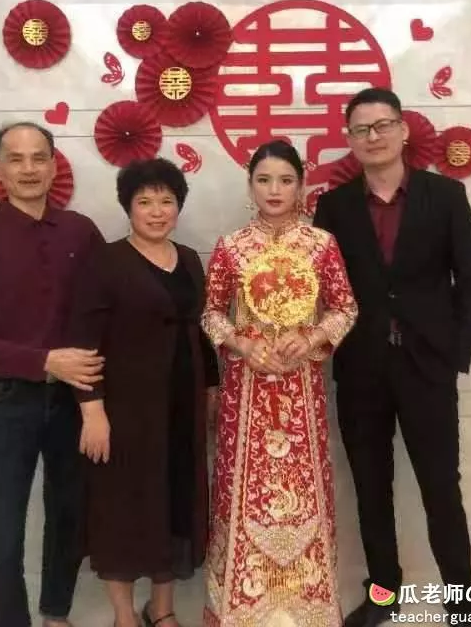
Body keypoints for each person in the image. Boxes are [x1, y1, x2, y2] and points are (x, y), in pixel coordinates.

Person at [313, 88, 471, 627]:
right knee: (371, 488)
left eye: (383, 125)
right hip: (361, 369)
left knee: (441, 487)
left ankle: (464, 603)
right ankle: (384, 595)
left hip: (427, 366)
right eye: (361, 129)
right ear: (350, 139)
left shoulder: (445, 196)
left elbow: (470, 281)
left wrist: (454, 354)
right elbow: (325, 290)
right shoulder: (334, 207)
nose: (374, 137)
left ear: (403, 129)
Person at [201, 139, 357, 627]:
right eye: (264, 180)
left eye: (286, 180)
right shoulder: (231, 246)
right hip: (245, 393)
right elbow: (210, 313)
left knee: (305, 491)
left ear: (301, 186)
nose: (274, 189)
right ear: (250, 186)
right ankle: (241, 609)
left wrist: (311, 338)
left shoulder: (321, 245)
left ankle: (306, 609)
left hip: (301, 390)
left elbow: (346, 308)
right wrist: (241, 344)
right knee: (241, 491)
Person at [0, 122, 104, 627]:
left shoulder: (81, 232)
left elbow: (99, 316)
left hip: (73, 401)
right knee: (4, 528)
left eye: (39, 157)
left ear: (54, 165)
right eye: (15, 159)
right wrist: (41, 361)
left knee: (69, 515)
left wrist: (95, 398)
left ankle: (56, 614)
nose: (28, 169)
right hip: (6, 401)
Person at [66, 158, 219, 627]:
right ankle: (124, 616)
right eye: (145, 202)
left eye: (166, 201)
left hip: (182, 405)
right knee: (122, 508)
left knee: (174, 502)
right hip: (124, 410)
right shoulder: (105, 261)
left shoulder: (189, 259)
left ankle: (162, 609)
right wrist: (92, 412)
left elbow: (202, 331)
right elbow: (83, 342)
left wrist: (212, 390)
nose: (156, 211)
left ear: (179, 207)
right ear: (128, 207)